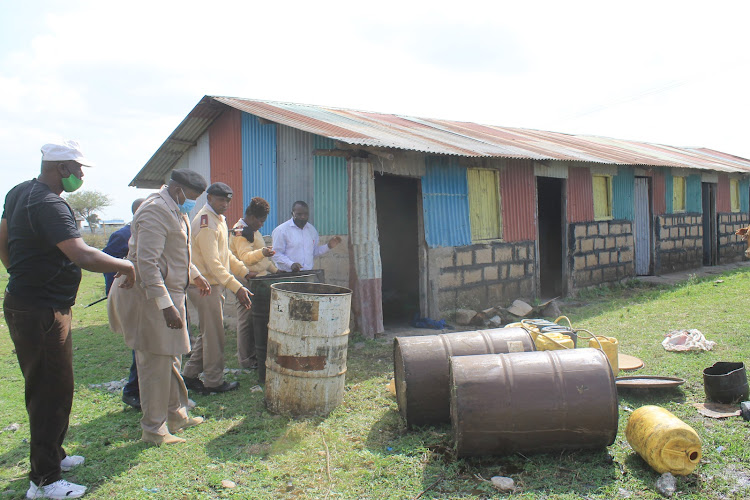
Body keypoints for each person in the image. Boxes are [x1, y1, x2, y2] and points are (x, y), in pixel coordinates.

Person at [0, 140, 135, 499]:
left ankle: (54, 455)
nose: (80, 176)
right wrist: (126, 264)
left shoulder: (18, 193)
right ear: (61, 168)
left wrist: (19, 275)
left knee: (56, 383)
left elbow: (2, 238)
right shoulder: (49, 203)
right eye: (78, 170)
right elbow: (83, 255)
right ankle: (44, 480)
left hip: (33, 303)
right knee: (49, 391)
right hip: (40, 310)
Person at [108, 169, 210, 446]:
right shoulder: (155, 211)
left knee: (172, 358)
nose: (193, 203)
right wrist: (166, 306)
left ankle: (176, 414)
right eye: (191, 197)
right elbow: (147, 262)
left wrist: (195, 273)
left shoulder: (177, 211)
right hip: (150, 298)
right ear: (178, 189)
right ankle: (154, 429)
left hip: (172, 293)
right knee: (154, 362)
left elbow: (175, 252)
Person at [181, 182, 252, 394]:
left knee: (209, 334)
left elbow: (225, 254)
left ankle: (189, 375)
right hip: (204, 286)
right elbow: (213, 262)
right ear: (209, 198)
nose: (225, 204)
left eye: (228, 201)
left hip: (213, 285)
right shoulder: (205, 223)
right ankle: (213, 382)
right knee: (214, 337)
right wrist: (236, 286)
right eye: (221, 200)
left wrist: (244, 271)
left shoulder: (219, 219)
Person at [102, 198, 145, 411]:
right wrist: (116, 291)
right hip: (129, 297)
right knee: (139, 345)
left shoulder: (146, 232)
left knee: (145, 345)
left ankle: (142, 389)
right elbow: (107, 265)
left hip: (144, 298)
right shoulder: (122, 235)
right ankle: (131, 391)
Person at [229, 197, 276, 370]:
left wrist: (276, 271)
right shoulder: (241, 231)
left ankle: (255, 354)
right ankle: (245, 359)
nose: (262, 225)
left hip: (257, 280)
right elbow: (246, 258)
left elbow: (261, 261)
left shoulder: (252, 230)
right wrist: (262, 252)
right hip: (245, 279)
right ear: (253, 217)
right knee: (246, 320)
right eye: (261, 221)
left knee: (256, 319)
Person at [271, 200, 342, 272]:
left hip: (307, 274)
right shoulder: (281, 230)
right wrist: (291, 264)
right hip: (287, 275)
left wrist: (328, 246)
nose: (303, 217)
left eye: (306, 214)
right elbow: (276, 254)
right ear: (292, 213)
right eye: (299, 214)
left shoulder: (312, 230)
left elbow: (313, 252)